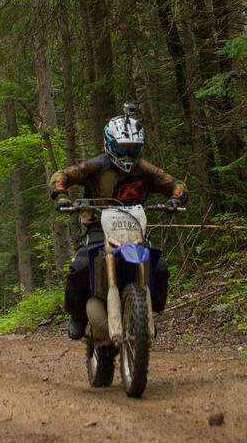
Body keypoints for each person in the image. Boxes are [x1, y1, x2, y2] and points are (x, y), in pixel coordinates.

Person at [49, 105, 188, 339]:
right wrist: (62, 195)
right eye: (122, 147)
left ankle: (147, 310)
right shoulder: (96, 166)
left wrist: (175, 198)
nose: (126, 154)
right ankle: (77, 315)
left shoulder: (145, 169)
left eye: (132, 148)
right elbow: (62, 175)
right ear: (110, 144)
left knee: (160, 267)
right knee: (80, 267)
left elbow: (176, 184)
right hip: (97, 226)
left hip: (133, 225)